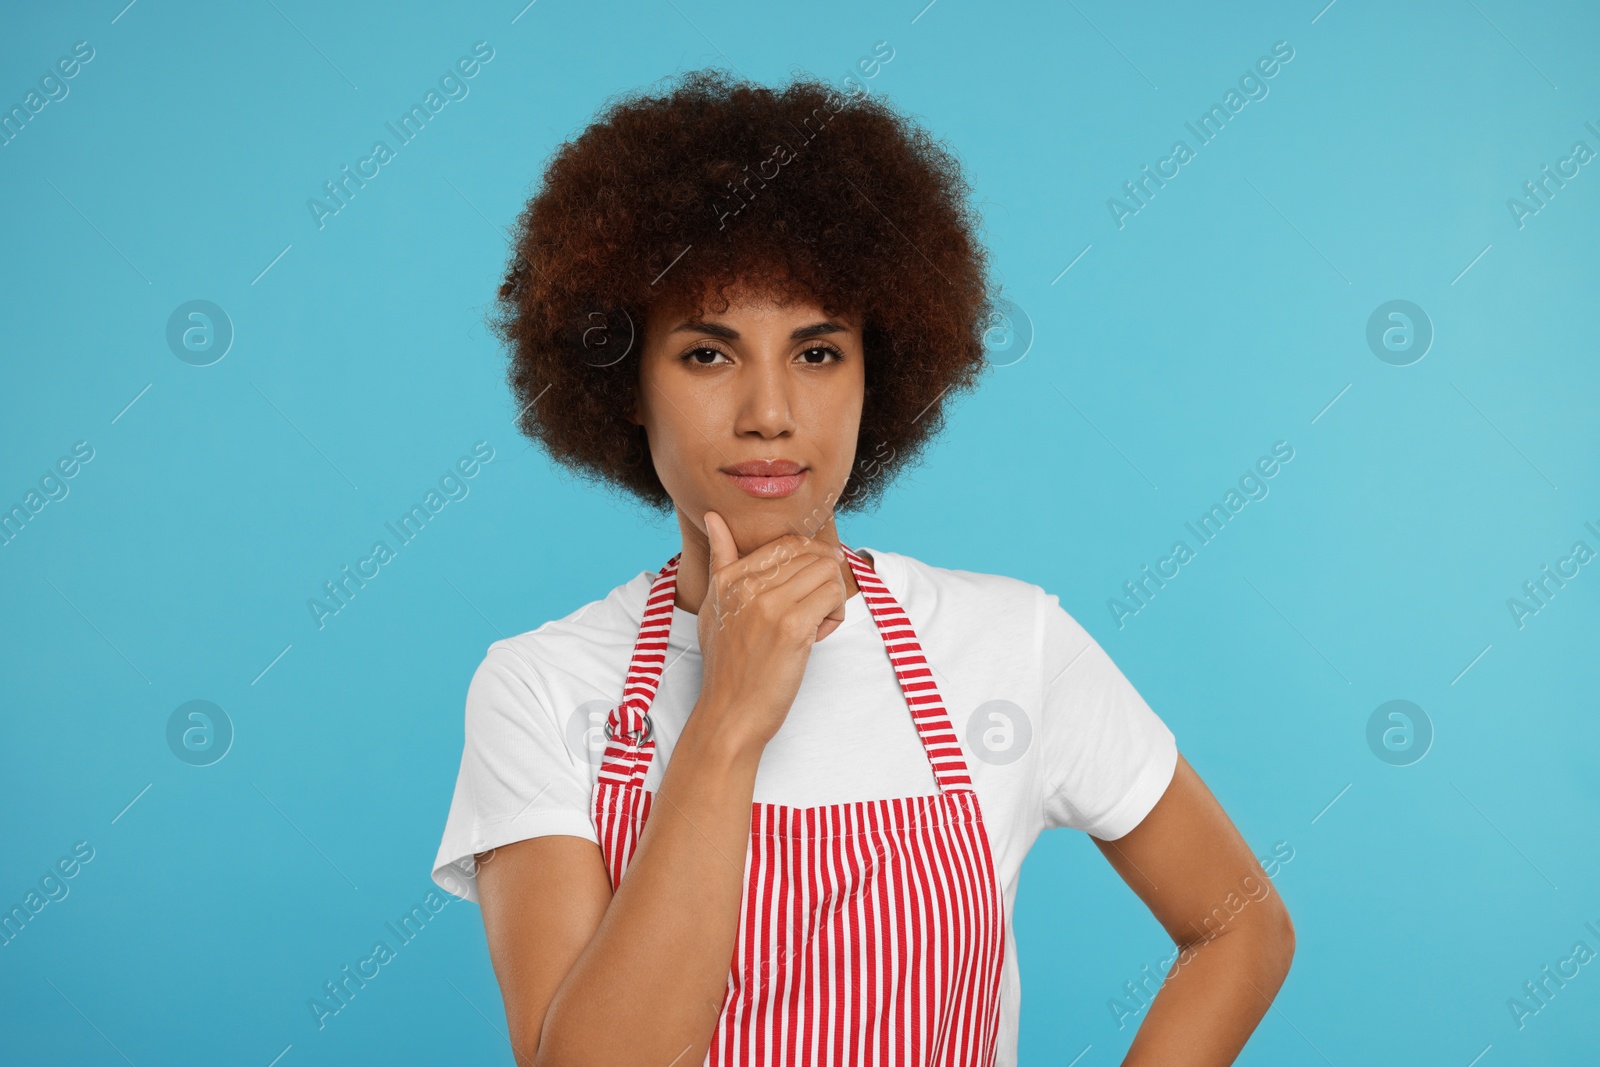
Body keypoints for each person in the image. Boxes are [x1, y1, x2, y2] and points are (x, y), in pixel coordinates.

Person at [431, 68, 1293, 1067]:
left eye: (817, 352)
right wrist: (725, 721)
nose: (769, 411)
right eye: (708, 355)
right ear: (626, 384)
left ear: (877, 369)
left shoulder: (1011, 643)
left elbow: (1239, 925)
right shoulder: (539, 686)